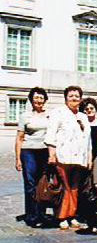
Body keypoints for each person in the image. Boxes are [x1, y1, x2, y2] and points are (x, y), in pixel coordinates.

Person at [45, 85, 92, 230]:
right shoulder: (58, 112)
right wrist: (51, 154)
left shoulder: (83, 116)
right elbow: (51, 134)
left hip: (80, 158)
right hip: (63, 156)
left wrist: (89, 158)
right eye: (71, 95)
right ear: (66, 98)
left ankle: (72, 215)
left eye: (77, 96)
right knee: (64, 187)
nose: (74, 98)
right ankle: (62, 217)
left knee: (75, 188)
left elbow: (88, 139)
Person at [14, 87, 50, 227]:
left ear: (45, 100)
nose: (39, 101)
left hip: (44, 151)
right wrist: (17, 158)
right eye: (36, 98)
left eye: (41, 98)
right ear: (31, 100)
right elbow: (19, 138)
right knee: (30, 183)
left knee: (43, 183)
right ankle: (32, 215)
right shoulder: (25, 116)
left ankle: (41, 213)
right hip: (28, 151)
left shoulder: (50, 115)